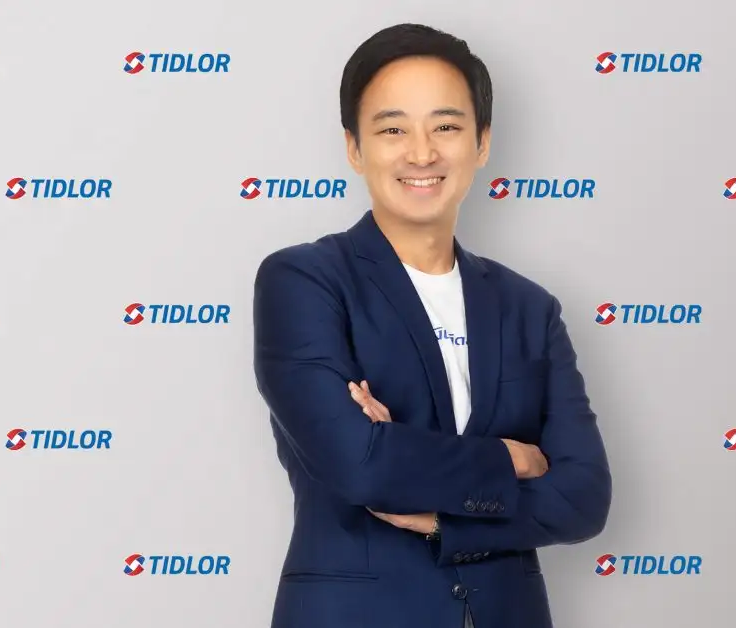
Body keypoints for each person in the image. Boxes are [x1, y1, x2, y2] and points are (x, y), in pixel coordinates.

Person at [252, 23, 612, 628]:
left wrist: (448, 519)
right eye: (392, 129)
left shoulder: (530, 307)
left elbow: (584, 498)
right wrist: (513, 459)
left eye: (445, 127)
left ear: (482, 142)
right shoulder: (305, 281)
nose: (421, 154)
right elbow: (360, 465)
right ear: (354, 148)